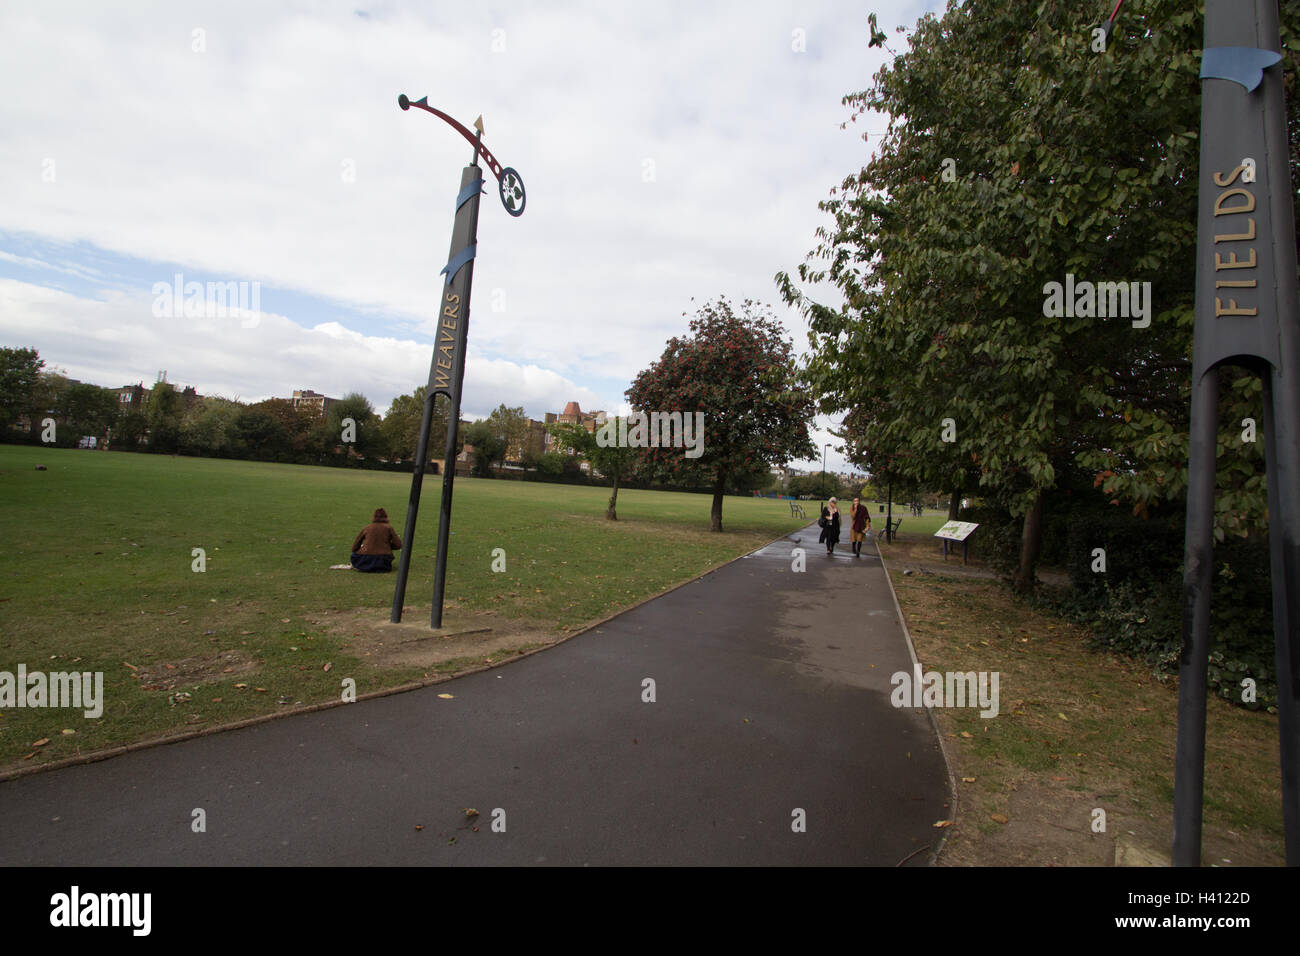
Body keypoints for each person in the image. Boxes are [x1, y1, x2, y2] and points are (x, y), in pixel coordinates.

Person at [350, 507, 402, 572]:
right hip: (383, 560)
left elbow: (354, 547)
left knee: (354, 554)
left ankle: (363, 566)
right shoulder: (389, 528)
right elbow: (398, 545)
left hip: (365, 559)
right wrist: (387, 546)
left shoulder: (367, 528)